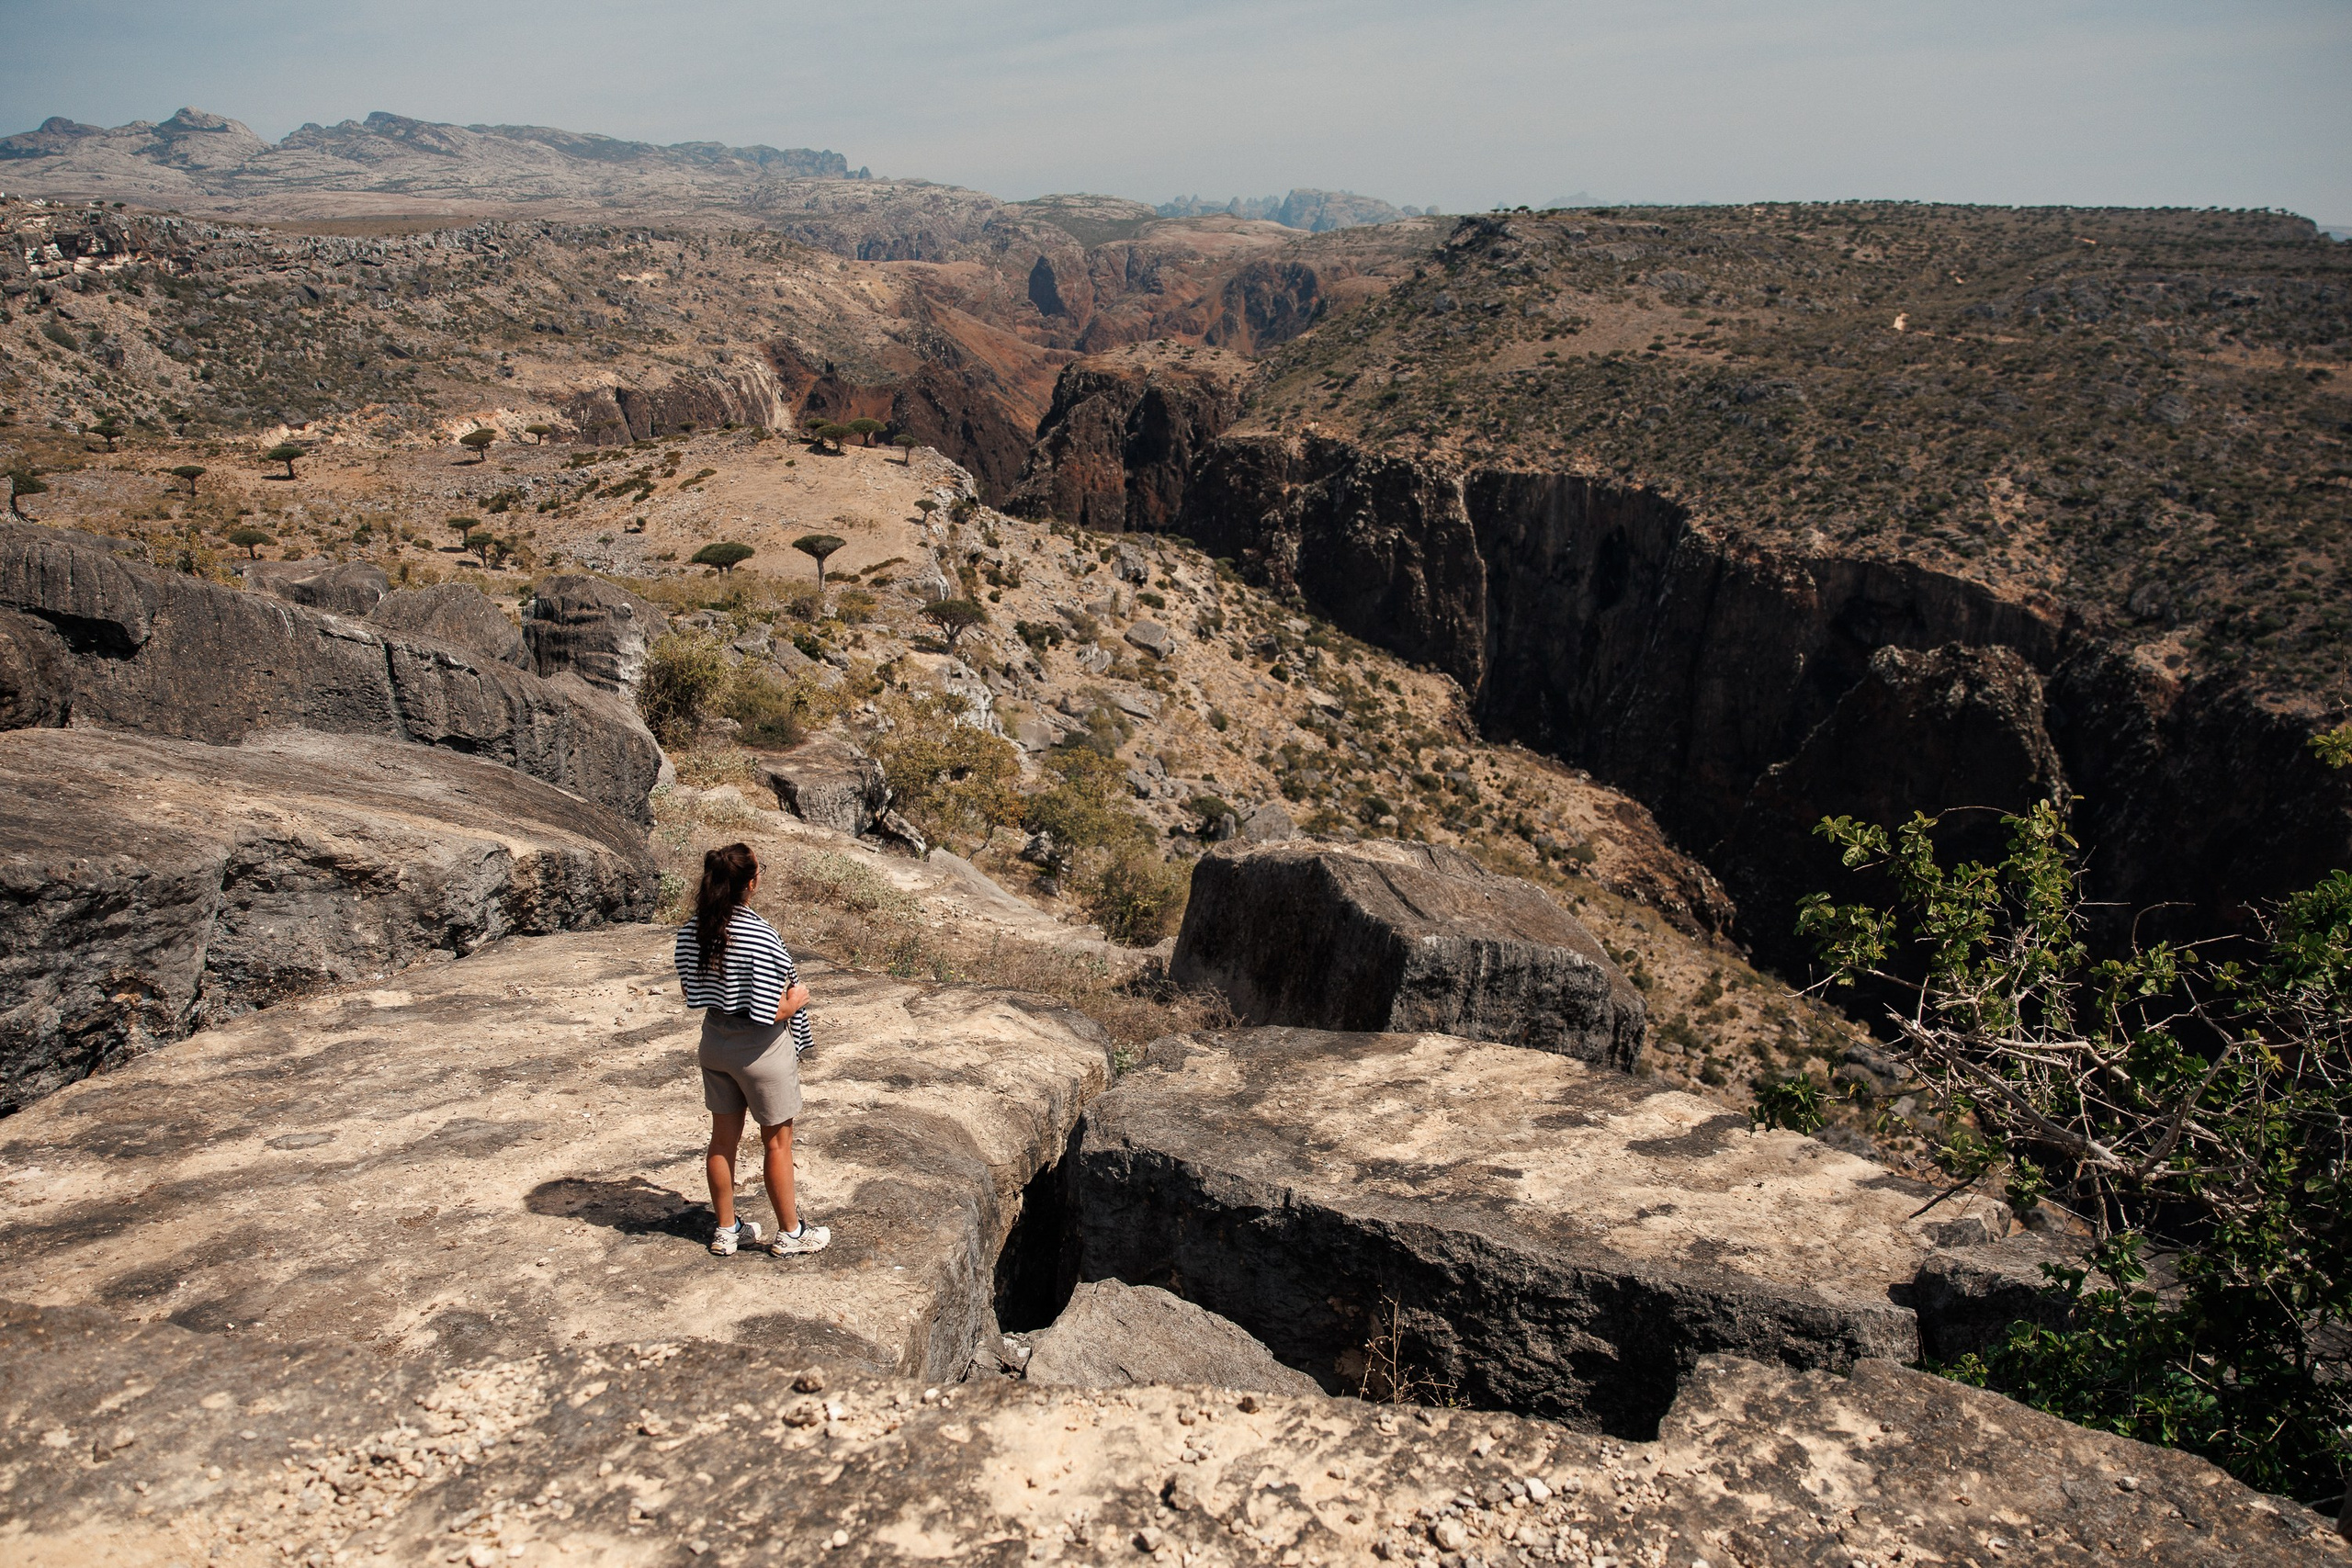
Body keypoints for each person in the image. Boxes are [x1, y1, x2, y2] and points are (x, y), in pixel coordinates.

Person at [673, 841, 830, 1258]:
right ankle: (791, 1233)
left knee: (721, 1142)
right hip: (760, 1051)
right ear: (751, 883)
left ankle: (727, 1230)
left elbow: (691, 990)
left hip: (715, 1042)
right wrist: (797, 1001)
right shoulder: (759, 933)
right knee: (777, 1144)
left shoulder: (693, 930)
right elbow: (768, 1011)